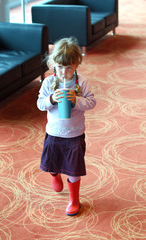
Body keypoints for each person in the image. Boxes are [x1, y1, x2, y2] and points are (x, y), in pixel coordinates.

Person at [37, 37, 96, 216]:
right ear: (53, 64)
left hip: (74, 134)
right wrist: (52, 99)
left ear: (77, 65)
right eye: (60, 67)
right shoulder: (48, 82)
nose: (64, 72)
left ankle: (74, 200)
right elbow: (40, 104)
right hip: (54, 133)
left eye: (69, 67)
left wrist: (76, 101)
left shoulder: (81, 82)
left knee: (73, 169)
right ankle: (55, 175)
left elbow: (92, 102)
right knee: (52, 164)